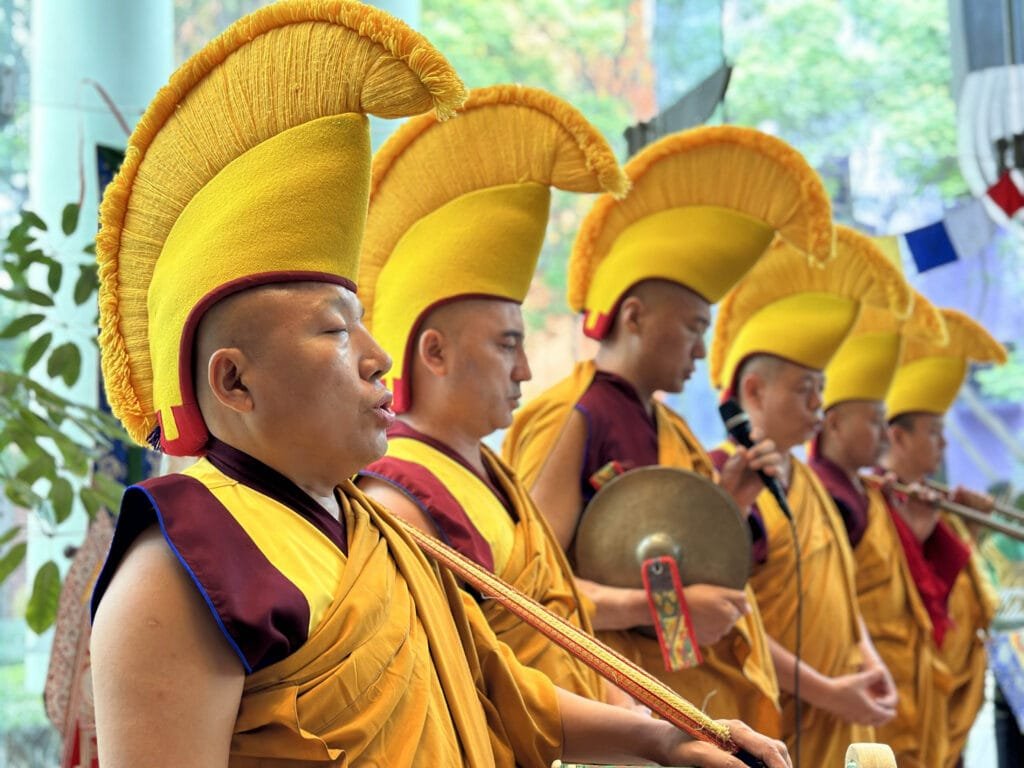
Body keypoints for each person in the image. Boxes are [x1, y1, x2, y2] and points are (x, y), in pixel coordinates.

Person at [87, 4, 791, 767]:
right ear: (234, 381)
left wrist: (667, 738)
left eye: (363, 325)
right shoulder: (185, 565)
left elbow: (498, 690)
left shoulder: (373, 529)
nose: (376, 357)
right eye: (334, 331)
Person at [503, 125, 835, 736]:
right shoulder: (574, 414)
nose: (702, 350)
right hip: (629, 703)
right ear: (633, 317)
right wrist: (669, 610)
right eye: (692, 328)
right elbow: (533, 591)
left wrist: (731, 501)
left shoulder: (667, 424)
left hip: (690, 685)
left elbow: (661, 556)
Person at [355, 83, 628, 704]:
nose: (526, 370)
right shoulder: (398, 496)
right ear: (435, 353)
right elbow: (461, 685)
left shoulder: (485, 468)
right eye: (507, 345)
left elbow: (551, 618)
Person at [706, 232, 908, 766]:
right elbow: (733, 620)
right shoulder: (723, 478)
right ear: (754, 392)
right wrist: (827, 690)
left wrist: (868, 658)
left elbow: (840, 593)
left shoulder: (809, 477)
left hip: (843, 706)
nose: (820, 405)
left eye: (822, 388)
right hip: (777, 719)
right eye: (805, 390)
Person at [807, 239, 952, 768]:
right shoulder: (824, 494)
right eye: (873, 421)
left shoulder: (866, 491)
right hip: (852, 685)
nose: (883, 434)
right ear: (834, 423)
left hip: (891, 676)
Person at [881, 307, 1007, 768]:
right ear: (897, 437)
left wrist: (967, 527)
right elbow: (902, 602)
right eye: (934, 433)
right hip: (906, 698)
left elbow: (956, 583)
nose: (944, 445)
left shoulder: (933, 501)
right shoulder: (876, 505)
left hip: (952, 694)